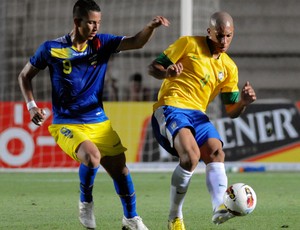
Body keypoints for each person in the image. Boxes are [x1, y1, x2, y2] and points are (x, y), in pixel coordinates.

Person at [18, 0, 169, 229]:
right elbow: (24, 76)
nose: (96, 27)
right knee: (92, 156)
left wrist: (150, 27)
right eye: (91, 22)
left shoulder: (102, 43)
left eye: (98, 22)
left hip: (99, 122)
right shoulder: (51, 48)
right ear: (77, 22)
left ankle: (131, 218)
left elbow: (136, 42)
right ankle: (85, 202)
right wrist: (31, 105)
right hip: (67, 123)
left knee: (121, 171)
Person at [148, 11, 256, 229]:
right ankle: (175, 216)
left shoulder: (229, 68)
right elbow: (153, 68)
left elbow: (231, 111)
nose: (224, 41)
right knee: (191, 156)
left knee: (217, 151)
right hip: (171, 107)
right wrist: (167, 73)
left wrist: (243, 102)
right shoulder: (188, 44)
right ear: (209, 32)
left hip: (197, 115)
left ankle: (219, 207)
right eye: (219, 35)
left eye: (228, 36)